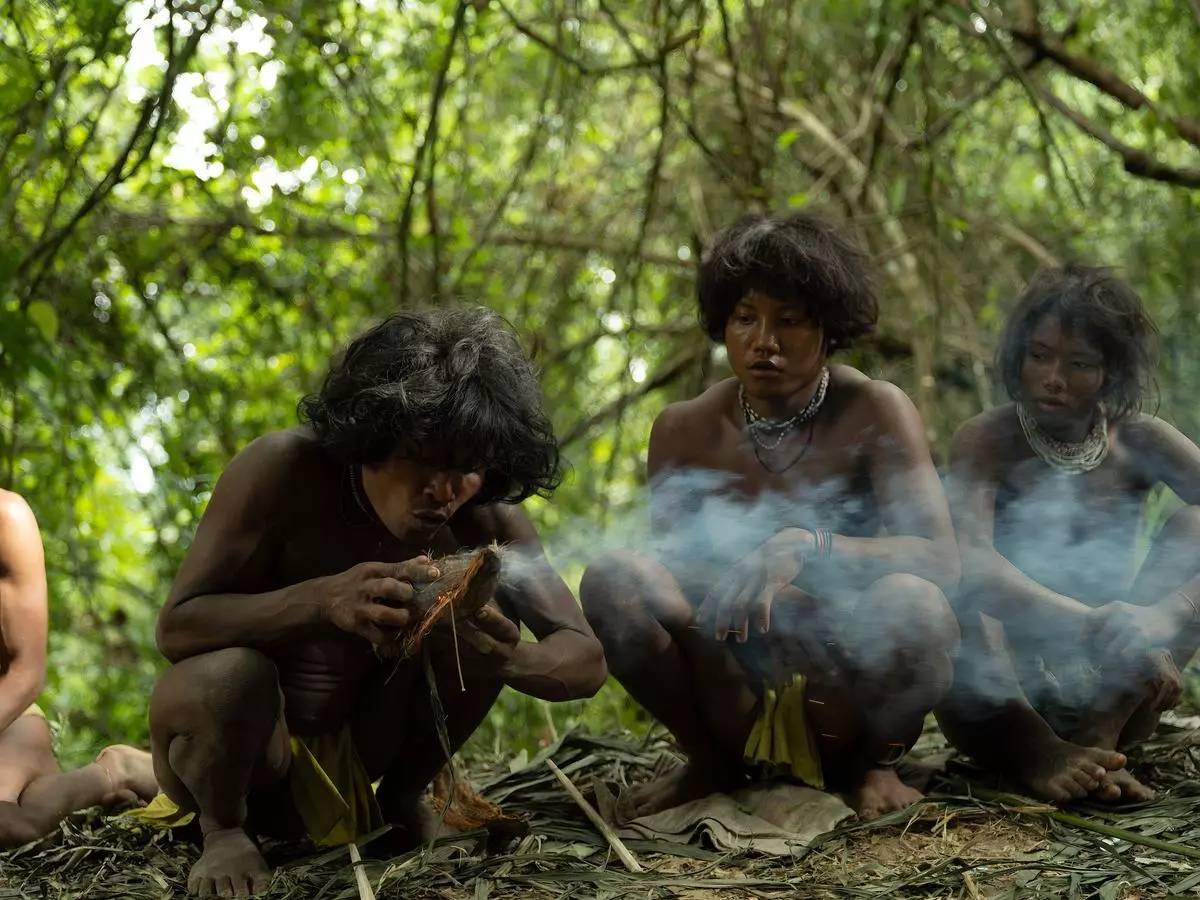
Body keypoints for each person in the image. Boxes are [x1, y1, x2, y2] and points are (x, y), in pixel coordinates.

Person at [139, 307, 607, 897]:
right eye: (423, 460)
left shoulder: (483, 518)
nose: (444, 491)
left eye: (463, 469)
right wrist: (321, 600)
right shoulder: (282, 472)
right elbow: (178, 627)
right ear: (372, 435)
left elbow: (586, 659)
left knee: (492, 617)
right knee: (231, 675)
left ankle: (402, 798)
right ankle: (223, 831)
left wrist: (502, 658)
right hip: (254, 762)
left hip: (366, 763)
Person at [580, 211, 961, 822]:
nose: (765, 341)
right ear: (722, 324)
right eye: (745, 318)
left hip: (849, 687)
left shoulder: (874, 411)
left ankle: (876, 768)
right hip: (734, 684)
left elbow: (942, 561)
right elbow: (673, 576)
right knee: (614, 579)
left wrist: (808, 548)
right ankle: (708, 762)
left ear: (829, 329)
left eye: (791, 320)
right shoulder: (684, 429)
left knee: (917, 603)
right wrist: (753, 596)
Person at [937, 264, 1200, 804]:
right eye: (1039, 356)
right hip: (1001, 702)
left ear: (1111, 374)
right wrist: (1094, 624)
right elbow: (974, 567)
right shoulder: (987, 441)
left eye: (1079, 364)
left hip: (1120, 686)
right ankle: (1042, 753)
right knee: (951, 571)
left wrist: (1170, 611)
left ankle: (1097, 744)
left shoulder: (1140, 441)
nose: (1054, 377)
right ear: (1019, 356)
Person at [0, 489, 157, 848]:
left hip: (9, 717)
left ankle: (113, 771)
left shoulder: (6, 517)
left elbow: (25, 673)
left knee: (14, 831)